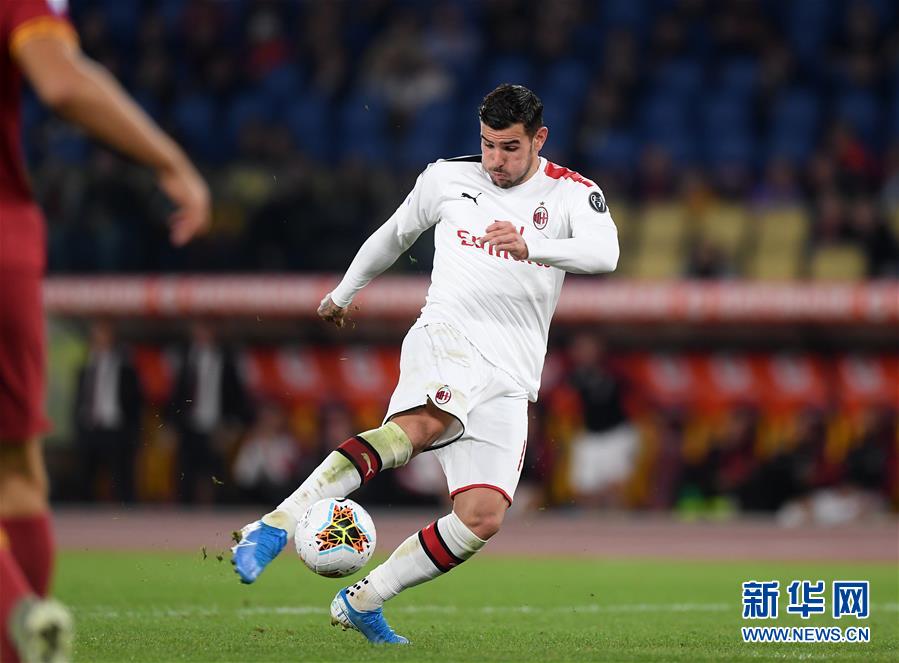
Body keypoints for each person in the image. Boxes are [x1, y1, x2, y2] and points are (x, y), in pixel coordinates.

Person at [232, 83, 619, 644]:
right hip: (448, 336)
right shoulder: (446, 179)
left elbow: (606, 254)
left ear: (540, 139)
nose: (495, 160)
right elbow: (394, 235)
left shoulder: (571, 193)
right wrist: (344, 292)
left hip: (511, 374)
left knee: (481, 517)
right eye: (487, 144)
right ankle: (273, 525)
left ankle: (363, 601)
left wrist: (531, 245)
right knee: (418, 428)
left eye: (510, 147)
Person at [0, 2, 210, 661]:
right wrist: (168, 158)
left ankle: (17, 614)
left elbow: (61, 83)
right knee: (16, 470)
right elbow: (62, 77)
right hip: (7, 239)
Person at [167, 320, 253, 504]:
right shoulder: (184, 356)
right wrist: (172, 424)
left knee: (217, 476)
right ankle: (183, 514)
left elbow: (236, 394)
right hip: (189, 425)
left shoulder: (227, 357)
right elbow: (176, 393)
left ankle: (217, 514)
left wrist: (231, 425)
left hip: (217, 426)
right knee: (185, 475)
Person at [73, 320, 143, 503]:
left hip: (115, 429)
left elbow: (135, 403)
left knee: (121, 478)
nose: (100, 339)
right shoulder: (86, 368)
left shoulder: (126, 369)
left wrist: (133, 432)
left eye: (104, 335)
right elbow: (78, 400)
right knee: (85, 480)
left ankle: (127, 514)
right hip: (90, 427)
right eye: (97, 335)